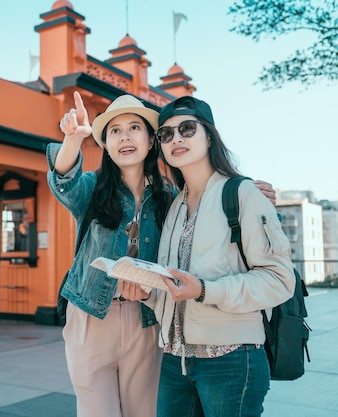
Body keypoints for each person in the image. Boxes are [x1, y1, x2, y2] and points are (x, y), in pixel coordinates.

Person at [127, 96, 295, 417]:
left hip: (231, 360)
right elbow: (177, 287)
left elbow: (278, 280)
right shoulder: (176, 206)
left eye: (187, 129)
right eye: (165, 134)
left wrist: (205, 290)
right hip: (175, 360)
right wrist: (148, 292)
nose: (176, 138)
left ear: (209, 135)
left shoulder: (243, 193)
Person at [48, 91, 173, 417]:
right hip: (90, 314)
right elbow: (64, 181)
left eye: (135, 127)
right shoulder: (92, 188)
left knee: (143, 412)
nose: (125, 136)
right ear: (105, 144)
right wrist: (73, 140)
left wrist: (247, 190)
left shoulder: (169, 197)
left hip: (145, 319)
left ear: (150, 141)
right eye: (115, 131)